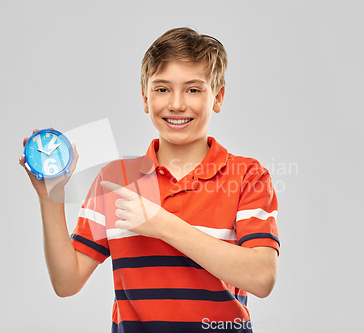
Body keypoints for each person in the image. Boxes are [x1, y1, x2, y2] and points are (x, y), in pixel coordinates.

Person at [19, 27, 280, 333]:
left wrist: (161, 224)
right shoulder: (116, 179)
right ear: (145, 98)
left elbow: (262, 278)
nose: (177, 104)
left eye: (193, 90)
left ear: (218, 97)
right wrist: (50, 196)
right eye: (162, 89)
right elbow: (67, 282)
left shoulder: (247, 176)